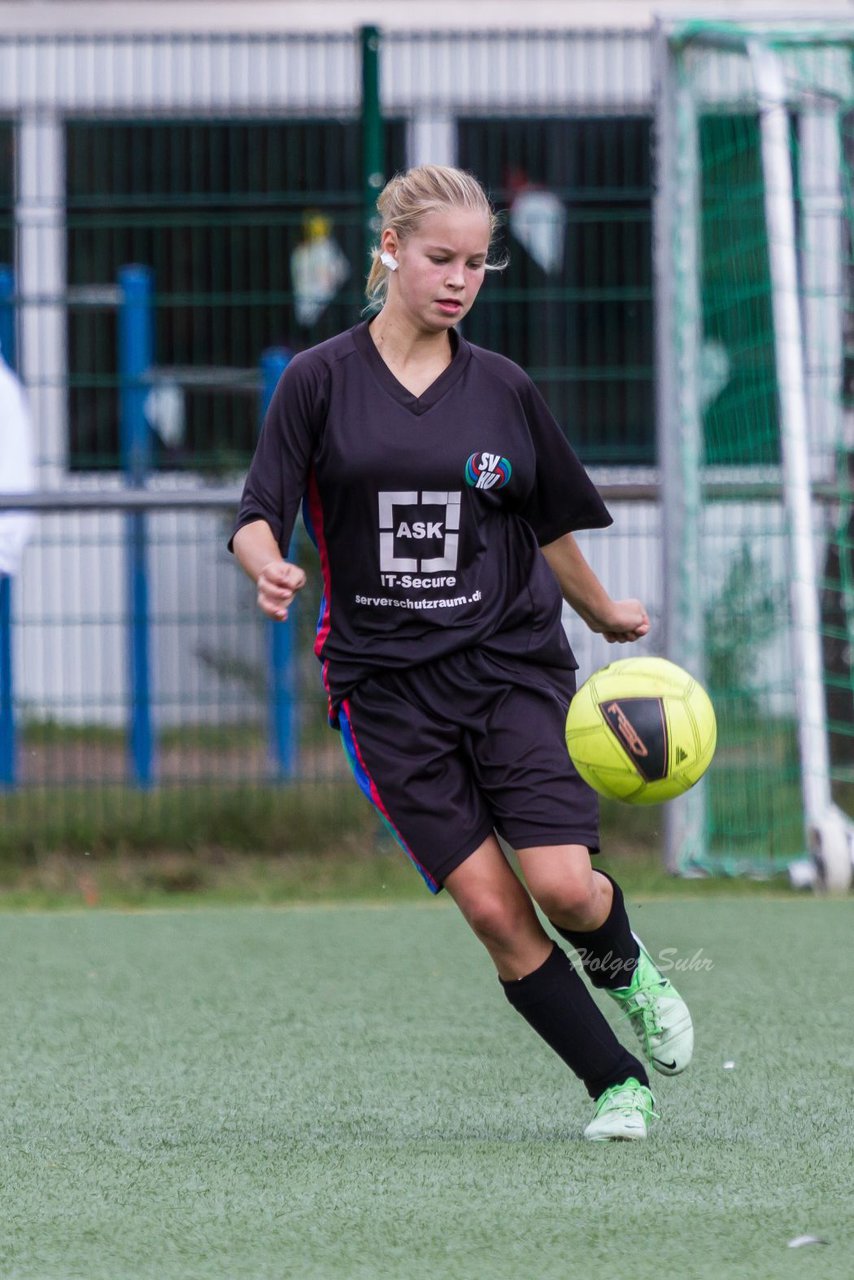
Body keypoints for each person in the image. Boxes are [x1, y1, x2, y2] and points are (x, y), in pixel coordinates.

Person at [230, 164, 693, 1141]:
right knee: (491, 909)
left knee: (563, 883)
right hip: (385, 690)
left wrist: (604, 611)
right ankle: (617, 1084)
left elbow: (550, 519)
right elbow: (256, 513)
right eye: (441, 257)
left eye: (477, 262)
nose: (459, 278)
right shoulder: (318, 381)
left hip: (511, 663)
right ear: (389, 248)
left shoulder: (502, 391)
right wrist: (268, 565)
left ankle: (628, 971)